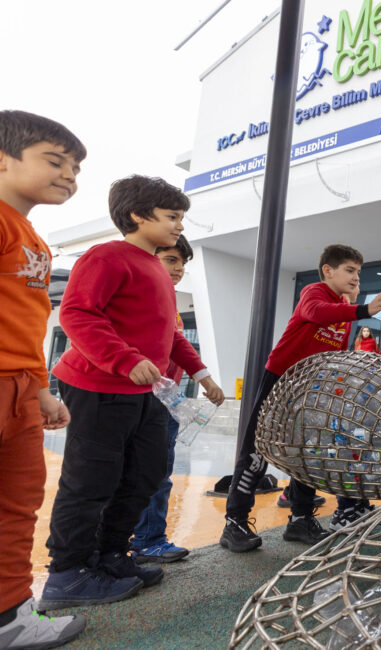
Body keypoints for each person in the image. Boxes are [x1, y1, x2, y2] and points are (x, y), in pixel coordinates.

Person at [41, 175, 216, 612]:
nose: (179, 225)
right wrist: (122, 358)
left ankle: (112, 556)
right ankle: (67, 574)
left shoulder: (157, 269)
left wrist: (203, 374)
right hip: (98, 386)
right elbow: (78, 314)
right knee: (90, 481)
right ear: (138, 215)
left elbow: (172, 336)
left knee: (145, 472)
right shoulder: (106, 257)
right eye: (172, 216)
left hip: (147, 392)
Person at [220, 244, 381, 553]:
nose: (356, 278)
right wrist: (365, 309)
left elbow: (334, 353)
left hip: (311, 390)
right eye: (350, 270)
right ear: (328, 270)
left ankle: (300, 520)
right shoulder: (315, 293)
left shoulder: (342, 306)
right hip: (280, 380)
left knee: (308, 454)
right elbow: (315, 313)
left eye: (358, 272)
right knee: (257, 452)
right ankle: (234, 523)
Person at [0, 110, 87, 646]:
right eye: (54, 161)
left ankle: (10, 618)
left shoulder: (33, 235)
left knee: (18, 502)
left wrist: (41, 389)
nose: (69, 176)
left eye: (75, 168)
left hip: (20, 391)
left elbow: (25, 322)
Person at [130, 235, 225, 564]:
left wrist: (203, 377)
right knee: (121, 475)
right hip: (129, 396)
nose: (179, 269)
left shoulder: (167, 298)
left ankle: (148, 539)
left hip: (163, 399)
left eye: (183, 263)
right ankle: (114, 545)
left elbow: (175, 342)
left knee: (158, 474)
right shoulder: (134, 290)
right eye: (171, 260)